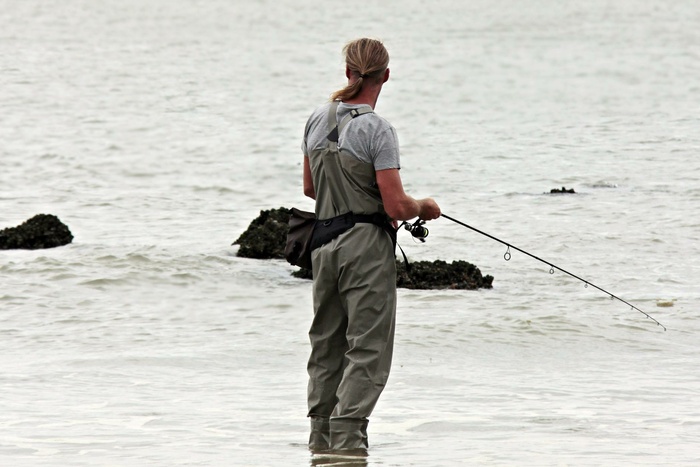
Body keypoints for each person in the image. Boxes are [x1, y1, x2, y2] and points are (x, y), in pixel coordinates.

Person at [301, 38, 441, 455]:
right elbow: (397, 204)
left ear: (348, 72)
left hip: (322, 245)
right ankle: (347, 443)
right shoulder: (376, 128)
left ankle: (320, 443)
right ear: (386, 76)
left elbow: (311, 189)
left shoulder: (314, 119)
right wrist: (425, 207)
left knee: (326, 345)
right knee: (368, 348)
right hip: (364, 247)